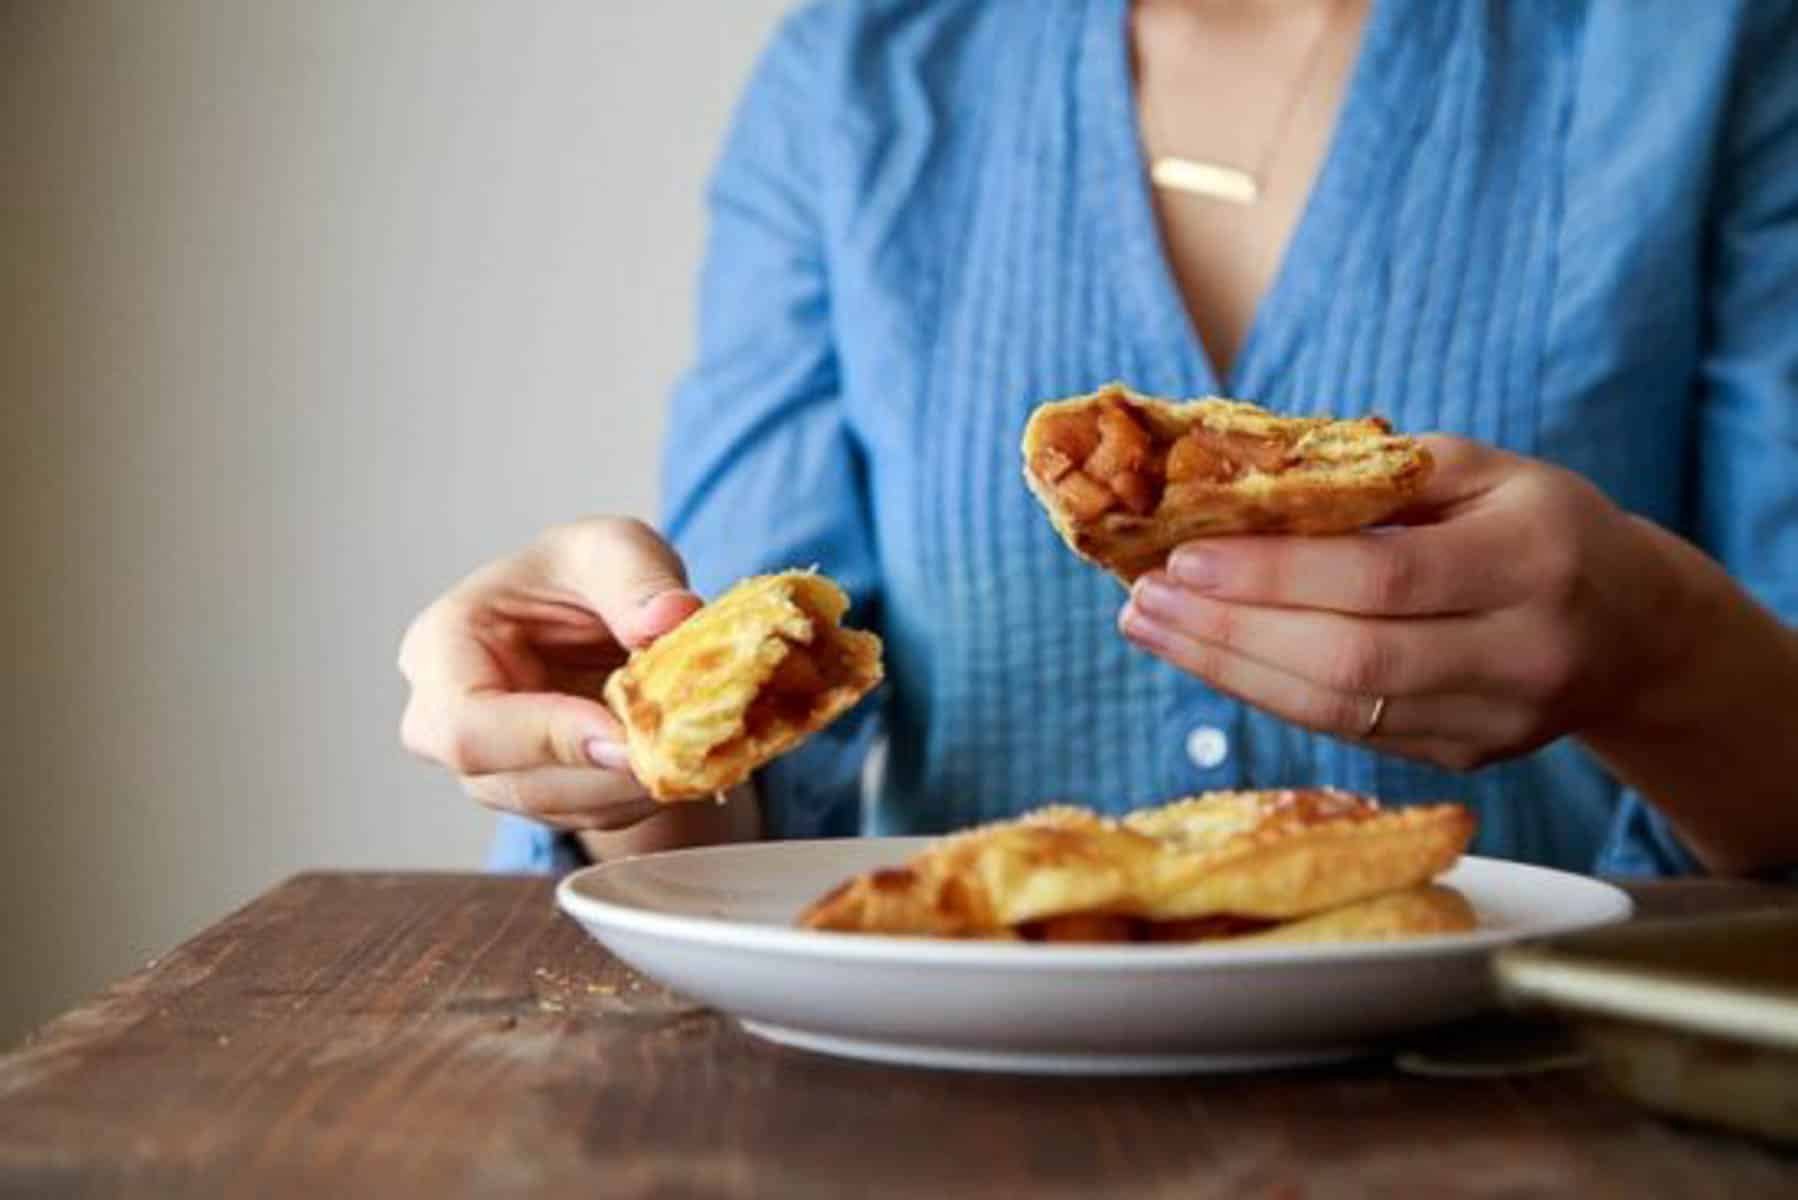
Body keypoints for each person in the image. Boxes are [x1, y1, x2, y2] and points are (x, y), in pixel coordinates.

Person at [398, 0, 1798, 878]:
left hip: (1555, 1117)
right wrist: (616, 740)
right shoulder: (854, 79)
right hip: (942, 1128)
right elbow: (756, 815)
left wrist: (1661, 650)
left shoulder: (1707, 47)